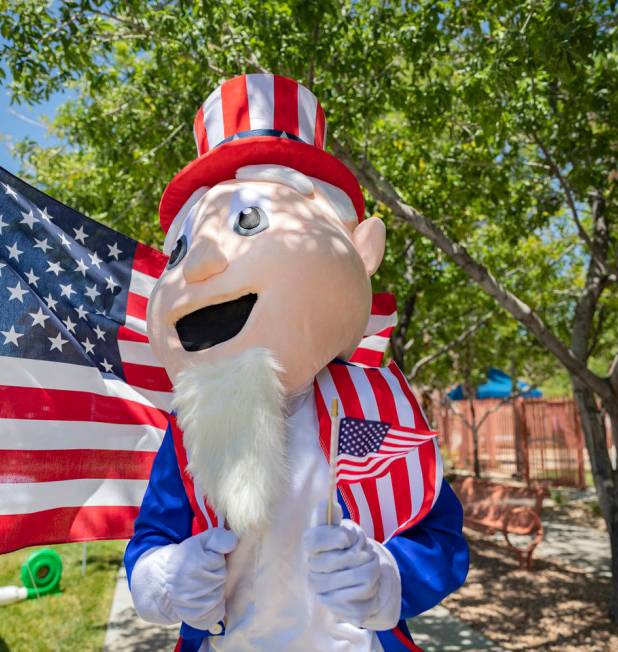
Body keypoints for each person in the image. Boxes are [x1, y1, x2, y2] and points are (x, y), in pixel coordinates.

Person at [124, 74, 468, 652]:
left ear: (359, 251)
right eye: (184, 249)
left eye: (248, 223)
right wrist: (166, 576)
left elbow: (443, 538)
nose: (203, 262)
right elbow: (150, 539)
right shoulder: (189, 429)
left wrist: (388, 577)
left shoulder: (382, 404)